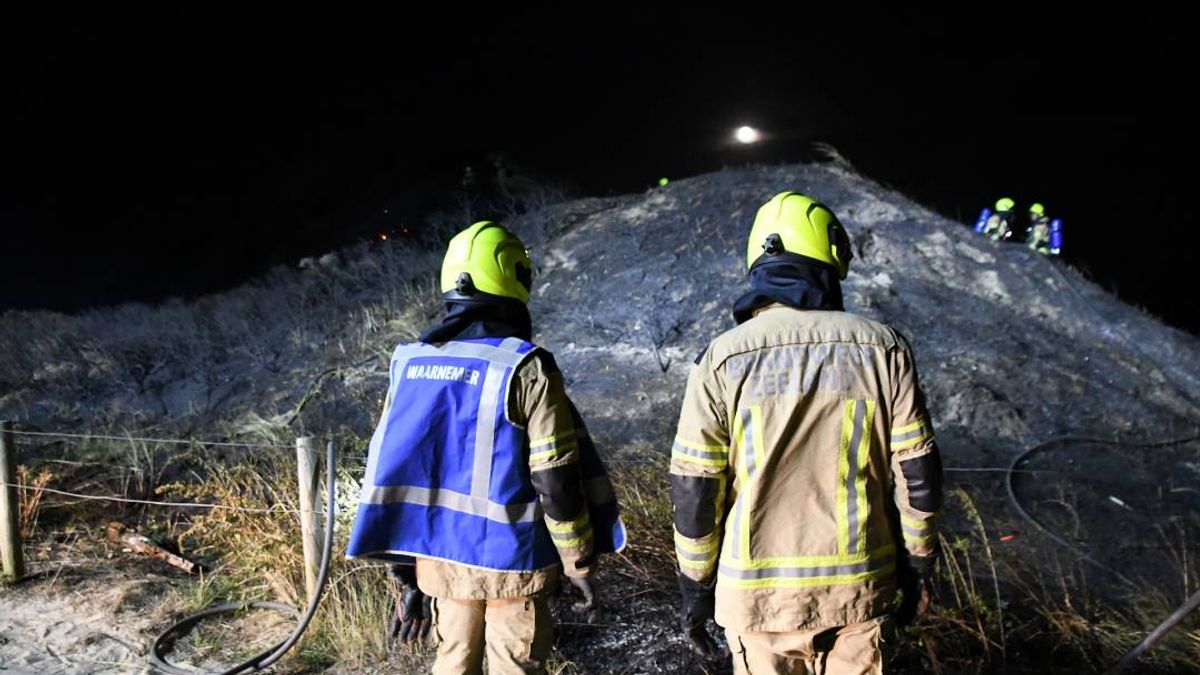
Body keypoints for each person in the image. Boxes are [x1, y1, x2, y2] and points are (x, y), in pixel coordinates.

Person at [669, 192, 944, 674]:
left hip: (757, 605)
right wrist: (919, 564)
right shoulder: (883, 349)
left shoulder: (721, 359)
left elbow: (696, 488)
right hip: (860, 591)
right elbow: (917, 472)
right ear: (831, 257)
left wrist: (695, 586)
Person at [346, 220, 626, 674]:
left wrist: (405, 573)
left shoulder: (410, 364)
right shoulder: (526, 367)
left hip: (441, 565)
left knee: (452, 663)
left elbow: (389, 473)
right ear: (514, 279)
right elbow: (556, 478)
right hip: (513, 565)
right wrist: (579, 564)